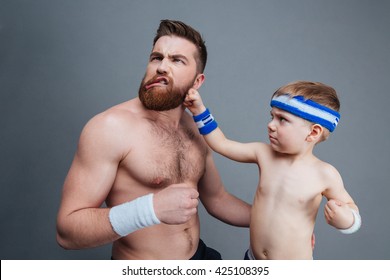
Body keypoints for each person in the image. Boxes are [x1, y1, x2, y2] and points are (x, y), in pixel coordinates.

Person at [56, 19, 251, 260]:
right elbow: (67, 231)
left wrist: (276, 222)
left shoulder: (195, 128)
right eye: (157, 57)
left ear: (197, 81)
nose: (161, 67)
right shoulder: (111, 127)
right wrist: (150, 209)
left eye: (177, 60)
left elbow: (218, 200)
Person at [184, 80, 361, 260]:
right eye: (272, 117)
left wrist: (346, 220)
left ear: (314, 132)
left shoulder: (324, 174)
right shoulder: (264, 153)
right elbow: (221, 144)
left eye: (282, 119)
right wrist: (199, 111)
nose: (271, 125)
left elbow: (351, 208)